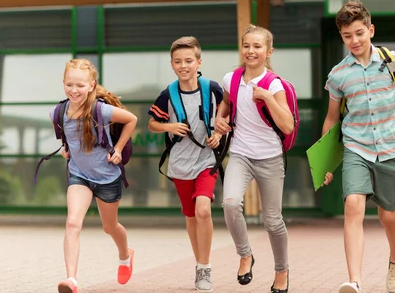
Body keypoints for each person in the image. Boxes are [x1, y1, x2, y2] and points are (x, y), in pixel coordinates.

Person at [321, 0, 395, 293]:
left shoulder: (392, 61)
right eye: (347, 35)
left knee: (387, 215)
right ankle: (354, 280)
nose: (354, 40)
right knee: (353, 205)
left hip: (391, 146)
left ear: (371, 30)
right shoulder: (339, 75)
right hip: (356, 146)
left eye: (359, 33)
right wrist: (326, 162)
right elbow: (330, 118)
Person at [215, 25, 293, 293]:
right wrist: (219, 118)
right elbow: (227, 102)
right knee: (230, 203)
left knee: (272, 220)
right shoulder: (231, 78)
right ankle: (245, 254)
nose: (251, 51)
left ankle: (281, 271)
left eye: (257, 46)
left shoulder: (273, 84)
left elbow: (288, 125)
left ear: (268, 51)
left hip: (270, 157)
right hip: (241, 153)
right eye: (246, 45)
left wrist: (269, 98)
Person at [147, 36, 223, 292]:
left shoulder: (212, 88)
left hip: (206, 160)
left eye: (188, 60)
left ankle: (205, 268)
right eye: (178, 61)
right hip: (180, 163)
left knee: (203, 210)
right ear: (172, 64)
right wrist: (169, 126)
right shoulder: (167, 94)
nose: (183, 65)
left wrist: (219, 134)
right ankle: (198, 264)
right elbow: (151, 124)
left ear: (198, 61)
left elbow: (226, 117)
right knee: (191, 215)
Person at [55, 59, 137, 293]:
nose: (74, 90)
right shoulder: (59, 111)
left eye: (80, 85)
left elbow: (132, 119)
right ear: (63, 84)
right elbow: (68, 137)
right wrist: (66, 148)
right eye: (69, 84)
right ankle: (71, 280)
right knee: (72, 223)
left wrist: (119, 149)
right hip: (79, 176)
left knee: (110, 227)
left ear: (91, 85)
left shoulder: (100, 109)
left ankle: (125, 255)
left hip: (107, 177)